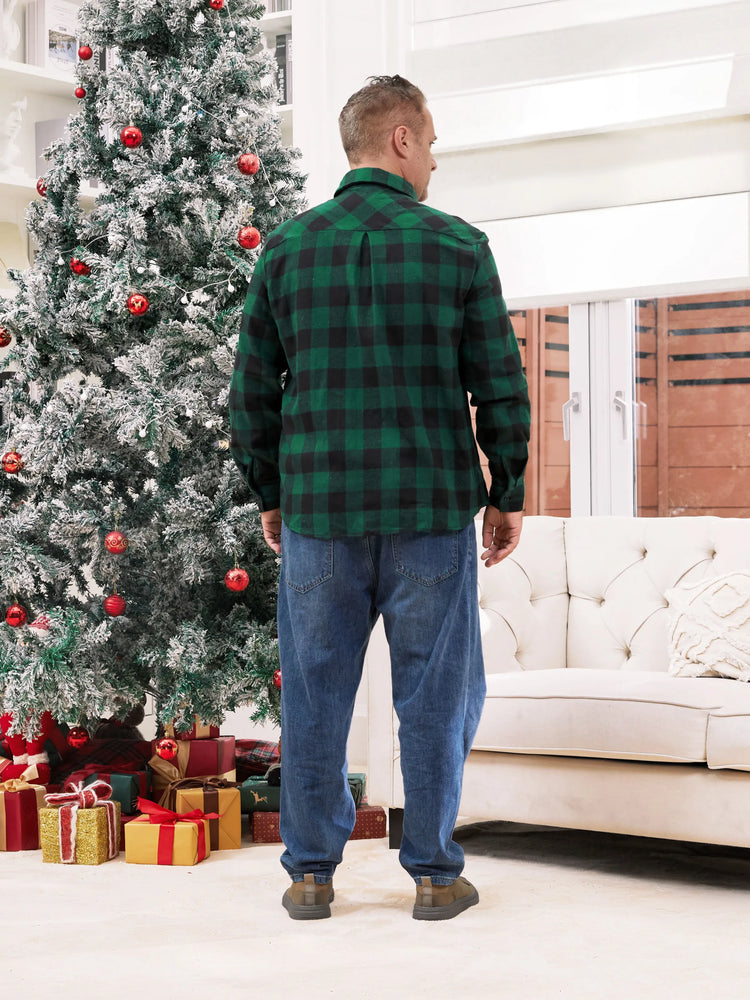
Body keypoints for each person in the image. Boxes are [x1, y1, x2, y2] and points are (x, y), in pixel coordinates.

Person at [229, 75, 530, 921]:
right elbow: (499, 387)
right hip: (431, 516)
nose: (434, 159)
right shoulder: (458, 246)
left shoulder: (285, 250)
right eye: (430, 143)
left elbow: (250, 395)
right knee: (435, 700)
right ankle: (435, 875)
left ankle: (311, 875)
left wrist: (273, 494)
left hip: (321, 518)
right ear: (399, 140)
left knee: (316, 697)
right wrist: (506, 489)